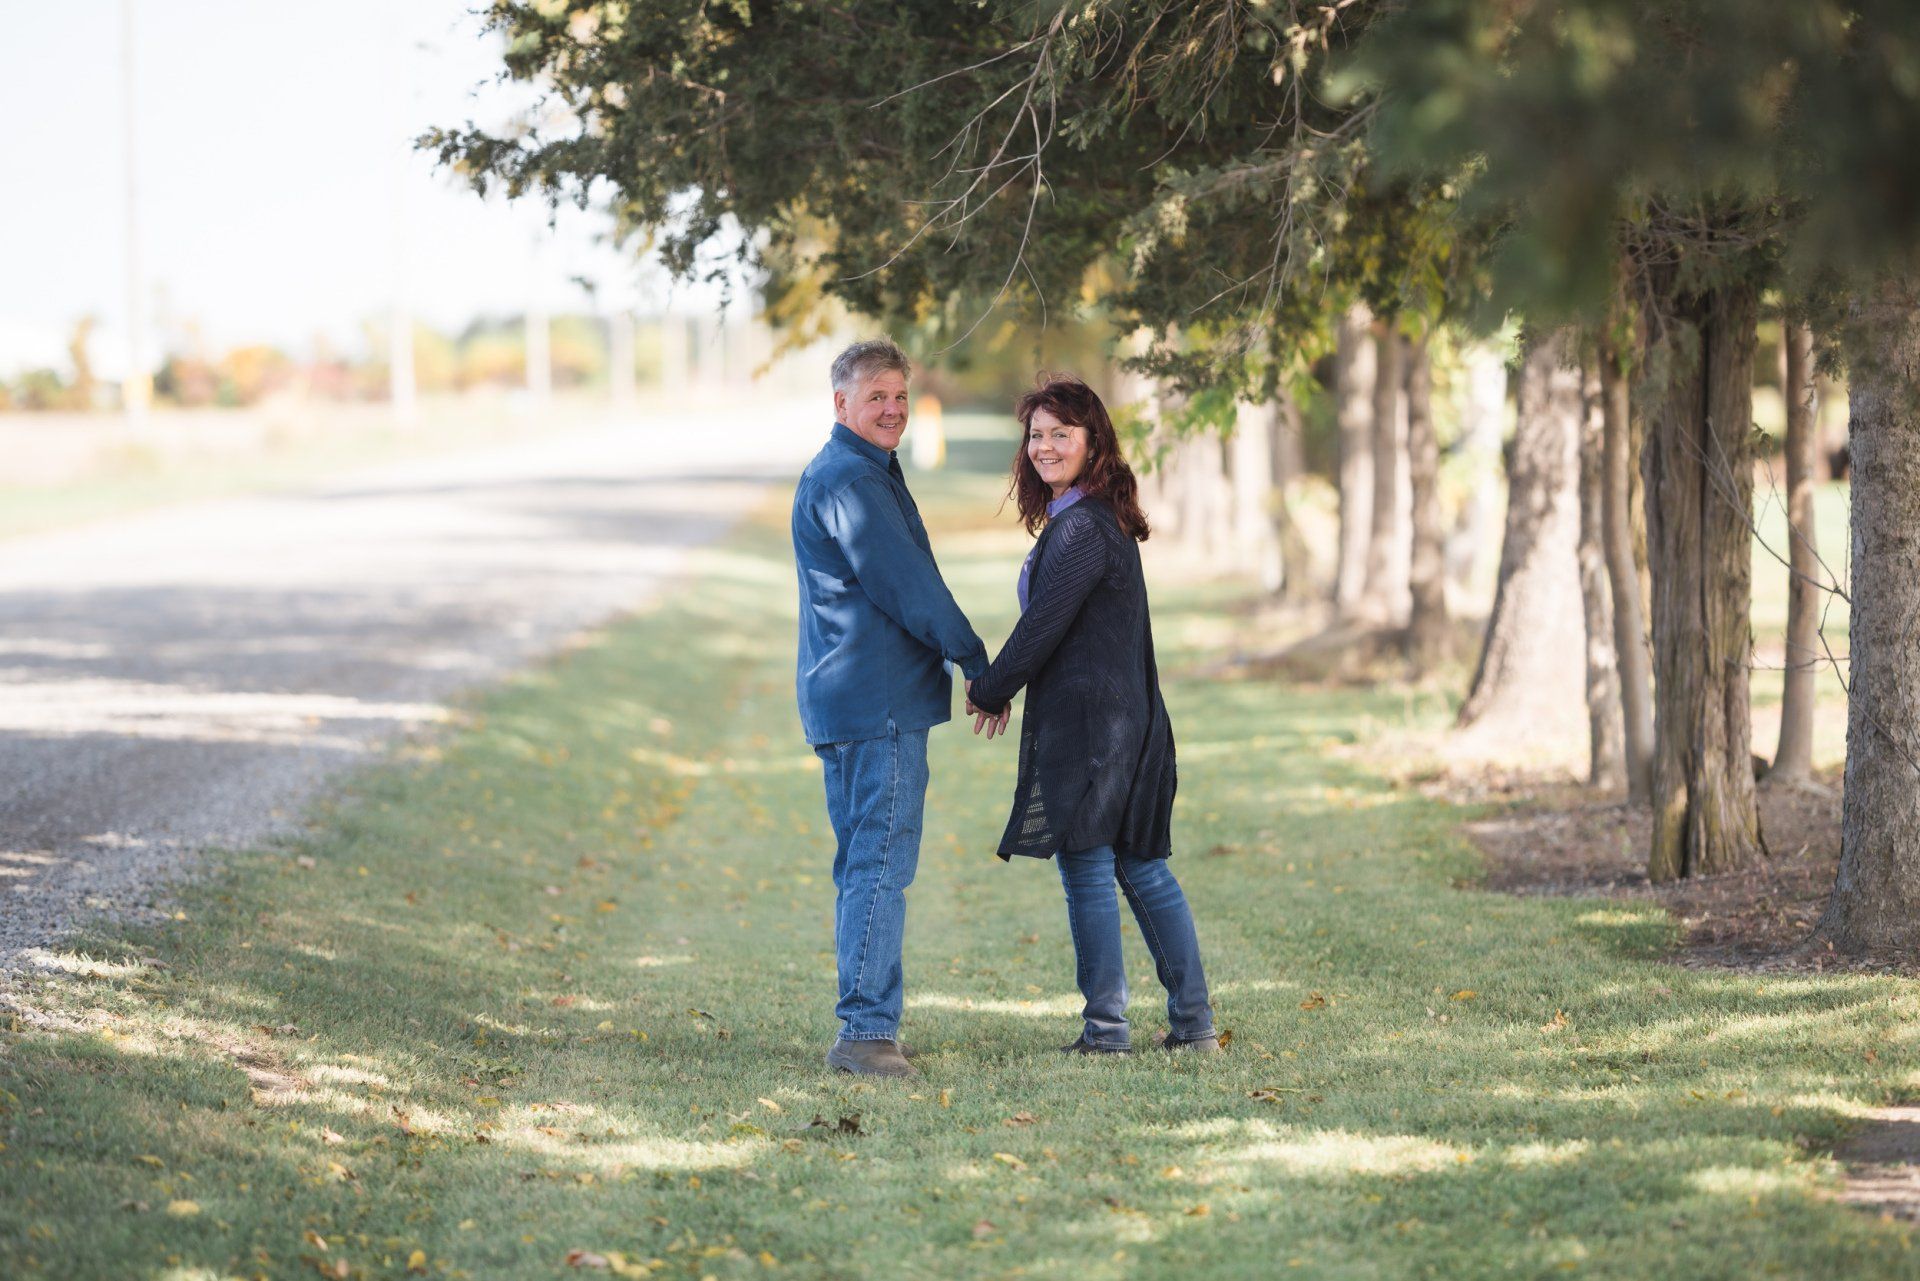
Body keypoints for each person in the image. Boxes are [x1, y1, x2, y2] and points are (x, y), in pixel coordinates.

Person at [963, 375, 1219, 1055]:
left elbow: (1042, 625)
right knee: (1139, 865)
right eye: (1036, 434)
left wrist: (990, 687)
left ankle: (1107, 1031)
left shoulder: (1082, 528)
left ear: (1092, 440)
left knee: (1089, 866)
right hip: (1121, 720)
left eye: (1061, 434)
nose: (1045, 445)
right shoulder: (1088, 515)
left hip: (1097, 729)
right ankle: (1192, 1026)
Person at [791, 338, 989, 1079]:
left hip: (853, 698)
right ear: (841, 402)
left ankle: (864, 1023)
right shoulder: (850, 480)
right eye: (877, 395)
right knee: (878, 864)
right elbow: (907, 585)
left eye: (901, 396)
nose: (893, 409)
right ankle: (867, 1034)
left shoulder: (856, 470)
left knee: (864, 866)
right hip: (877, 704)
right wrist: (974, 657)